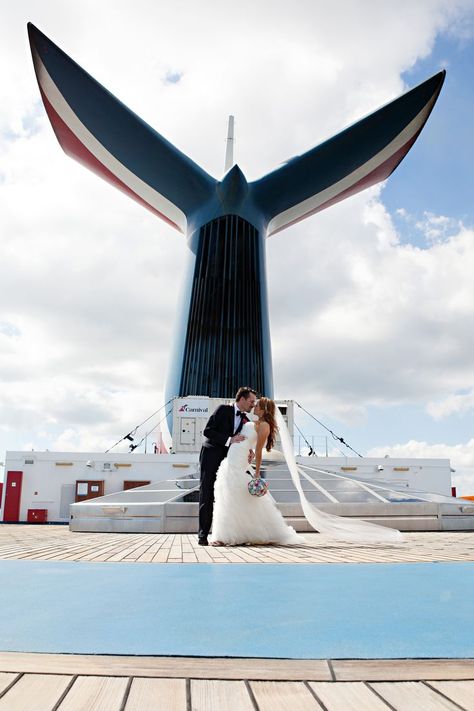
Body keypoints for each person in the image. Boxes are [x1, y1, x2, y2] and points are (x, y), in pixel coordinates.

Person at [209, 397, 304, 546]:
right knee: (227, 496)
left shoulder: (265, 425)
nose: (254, 406)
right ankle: (226, 535)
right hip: (231, 459)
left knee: (231, 496)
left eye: (257, 405)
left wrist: (257, 472)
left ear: (264, 409)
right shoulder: (252, 422)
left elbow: (259, 451)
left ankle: (225, 537)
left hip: (239, 463)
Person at [198, 387, 257, 546]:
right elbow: (208, 431)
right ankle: (203, 536)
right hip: (210, 456)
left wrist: (249, 451)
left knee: (229, 495)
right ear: (242, 399)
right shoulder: (223, 409)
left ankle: (228, 534)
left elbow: (243, 439)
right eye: (251, 401)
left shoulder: (246, 420)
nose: (253, 404)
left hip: (229, 461)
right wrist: (229, 439)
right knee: (207, 493)